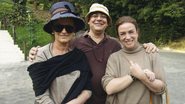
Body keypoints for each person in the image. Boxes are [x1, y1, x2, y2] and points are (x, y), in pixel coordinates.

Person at [28, 3, 158, 104]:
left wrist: (147, 46)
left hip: (110, 99)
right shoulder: (75, 43)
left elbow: (132, 46)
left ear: (107, 23)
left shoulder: (116, 44)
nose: (99, 19)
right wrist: (35, 51)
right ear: (88, 21)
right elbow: (55, 50)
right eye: (94, 16)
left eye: (103, 17)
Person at [27, 1, 92, 104]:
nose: (64, 31)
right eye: (59, 27)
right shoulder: (40, 55)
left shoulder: (79, 56)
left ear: (74, 30)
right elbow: (40, 94)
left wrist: (78, 101)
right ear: (52, 30)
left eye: (69, 28)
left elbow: (88, 87)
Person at [102, 16, 166, 104]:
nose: (127, 37)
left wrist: (142, 76)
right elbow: (109, 89)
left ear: (137, 32)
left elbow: (161, 88)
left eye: (131, 32)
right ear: (118, 37)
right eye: (123, 34)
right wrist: (132, 75)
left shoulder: (151, 53)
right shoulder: (114, 58)